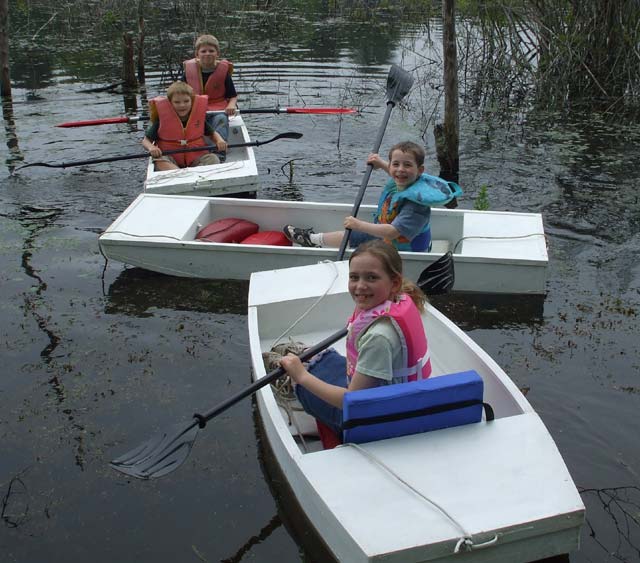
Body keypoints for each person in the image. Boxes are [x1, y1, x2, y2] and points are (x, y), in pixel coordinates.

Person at [279, 240, 432, 437]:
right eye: (354, 277)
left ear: (394, 283)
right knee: (327, 359)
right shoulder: (397, 300)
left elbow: (352, 401)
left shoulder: (379, 337)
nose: (360, 286)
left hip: (370, 421)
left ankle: (293, 381)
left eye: (371, 277)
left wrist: (301, 376)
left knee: (303, 383)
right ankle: (303, 367)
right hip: (395, 400)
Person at [283, 141, 461, 252]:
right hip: (396, 241)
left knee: (356, 233)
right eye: (395, 164)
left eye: (407, 165)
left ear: (420, 170)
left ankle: (313, 240)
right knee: (358, 234)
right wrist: (380, 163)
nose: (400, 169)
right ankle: (315, 240)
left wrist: (359, 224)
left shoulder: (415, 205)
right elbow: (398, 175)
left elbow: (392, 232)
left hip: (406, 250)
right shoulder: (409, 182)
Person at [141, 81, 226, 171]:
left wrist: (219, 140)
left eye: (186, 101)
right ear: (170, 103)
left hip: (195, 158)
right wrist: (151, 147)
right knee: (159, 160)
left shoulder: (197, 118)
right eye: (177, 102)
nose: (182, 105)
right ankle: (184, 174)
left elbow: (212, 133)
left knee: (213, 158)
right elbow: (146, 141)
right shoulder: (161, 120)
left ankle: (183, 175)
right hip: (170, 158)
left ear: (192, 101)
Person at [181, 34, 238, 161]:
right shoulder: (188, 72)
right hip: (196, 108)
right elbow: (179, 92)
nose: (207, 54)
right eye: (203, 51)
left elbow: (232, 96)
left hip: (217, 108)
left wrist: (231, 105)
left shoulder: (223, 72)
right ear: (197, 54)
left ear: (217, 53)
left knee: (221, 119)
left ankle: (219, 154)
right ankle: (189, 153)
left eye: (211, 51)